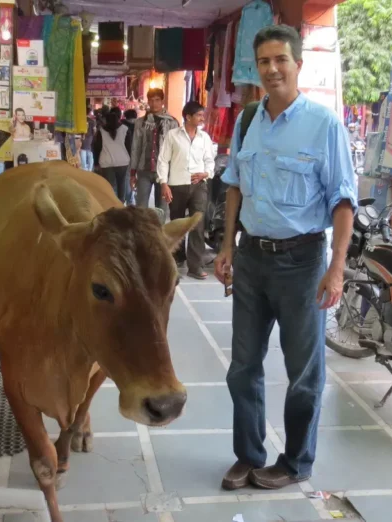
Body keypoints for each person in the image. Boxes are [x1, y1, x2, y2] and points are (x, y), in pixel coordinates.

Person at [214, 24, 357, 491]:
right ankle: (248, 455)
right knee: (243, 367)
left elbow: (342, 201)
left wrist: (336, 269)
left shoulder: (324, 124)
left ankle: (296, 462)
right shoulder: (248, 119)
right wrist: (226, 246)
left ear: (298, 64)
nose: (272, 69)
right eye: (264, 62)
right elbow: (234, 184)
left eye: (281, 60)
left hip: (302, 264)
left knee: (304, 374)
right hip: (252, 258)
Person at [156, 101, 215, 279]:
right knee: (178, 223)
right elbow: (163, 160)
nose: (202, 118)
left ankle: (195, 265)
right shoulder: (172, 136)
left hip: (199, 185)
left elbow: (210, 160)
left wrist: (206, 173)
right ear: (188, 117)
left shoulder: (204, 138)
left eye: (202, 115)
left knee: (197, 223)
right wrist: (164, 184)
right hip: (177, 184)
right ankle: (177, 258)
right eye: (199, 115)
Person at [129, 88, 180, 214]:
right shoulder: (140, 122)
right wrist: (132, 173)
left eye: (157, 100)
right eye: (151, 100)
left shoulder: (172, 122)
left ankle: (159, 233)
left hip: (163, 173)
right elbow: (136, 147)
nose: (154, 103)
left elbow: (176, 149)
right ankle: (142, 233)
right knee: (141, 208)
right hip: (144, 169)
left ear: (162, 101)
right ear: (148, 102)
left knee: (161, 209)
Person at [93, 111, 130, 200]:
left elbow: (97, 148)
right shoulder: (125, 129)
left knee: (111, 187)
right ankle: (121, 204)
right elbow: (129, 146)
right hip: (123, 161)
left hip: (106, 162)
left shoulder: (101, 131)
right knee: (122, 185)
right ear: (118, 119)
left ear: (106, 120)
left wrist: (96, 163)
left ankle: (113, 205)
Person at [80, 107, 96, 172]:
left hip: (82, 136)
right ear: (89, 112)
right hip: (90, 137)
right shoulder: (92, 121)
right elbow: (94, 130)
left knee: (83, 151)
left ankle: (84, 167)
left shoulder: (81, 120)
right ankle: (90, 168)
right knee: (89, 151)